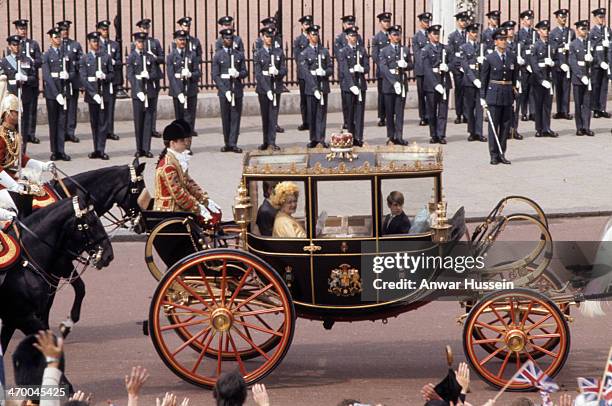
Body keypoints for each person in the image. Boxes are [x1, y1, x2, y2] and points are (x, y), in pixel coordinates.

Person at [0, 92, 53, 217]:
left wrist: (43, 166)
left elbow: (20, 159)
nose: (20, 115)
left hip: (14, 178)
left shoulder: (14, 134)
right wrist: (13, 185)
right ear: (8, 113)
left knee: (42, 192)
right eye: (16, 112)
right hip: (3, 184)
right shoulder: (1, 136)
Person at [154, 121, 220, 220]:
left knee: (216, 215)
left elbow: (188, 183)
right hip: (171, 210)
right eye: (182, 141)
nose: (185, 143)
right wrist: (197, 208)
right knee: (210, 220)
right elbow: (179, 194)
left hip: (178, 206)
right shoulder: (168, 166)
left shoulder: (175, 160)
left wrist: (204, 199)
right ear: (172, 143)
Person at [480, 28, 516, 165]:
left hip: (507, 94)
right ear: (495, 42)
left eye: (505, 39)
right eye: (501, 39)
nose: (504, 42)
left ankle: (502, 153)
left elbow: (513, 76)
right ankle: (493, 154)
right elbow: (484, 79)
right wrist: (482, 97)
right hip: (494, 94)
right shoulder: (490, 58)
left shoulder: (511, 57)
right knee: (494, 126)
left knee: (505, 125)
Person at [0, 34, 38, 151]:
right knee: (10, 127)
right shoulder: (5, 62)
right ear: (10, 46)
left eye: (18, 45)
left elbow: (34, 78)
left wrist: (25, 78)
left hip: (24, 97)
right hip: (11, 99)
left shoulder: (27, 60)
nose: (17, 47)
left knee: (24, 126)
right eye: (14, 45)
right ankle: (11, 152)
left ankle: (22, 152)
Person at [80, 31, 114, 160]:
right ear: (89, 43)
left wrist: (105, 76)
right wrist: (93, 94)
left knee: (103, 123)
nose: (96, 44)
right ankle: (96, 149)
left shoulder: (106, 57)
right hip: (92, 95)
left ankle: (101, 149)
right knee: (94, 123)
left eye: (97, 41)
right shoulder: (84, 58)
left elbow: (112, 74)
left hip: (104, 95)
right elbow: (83, 78)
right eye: (94, 41)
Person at [213, 28, 247, 153]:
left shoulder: (238, 55)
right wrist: (224, 90)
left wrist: (238, 73)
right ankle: (227, 142)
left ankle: (233, 143)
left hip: (236, 89)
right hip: (224, 90)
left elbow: (245, 72)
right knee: (225, 117)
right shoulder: (218, 55)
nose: (229, 40)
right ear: (222, 40)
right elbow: (215, 75)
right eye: (227, 38)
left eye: (231, 38)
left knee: (235, 117)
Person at [379, 24, 412, 145]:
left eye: (398, 34)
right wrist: (394, 83)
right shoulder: (384, 51)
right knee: (389, 112)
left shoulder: (405, 50)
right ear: (389, 36)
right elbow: (383, 68)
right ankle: (390, 136)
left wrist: (406, 65)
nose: (397, 37)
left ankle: (399, 136)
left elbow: (411, 65)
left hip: (402, 83)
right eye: (394, 35)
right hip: (389, 85)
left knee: (399, 112)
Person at [42, 28, 72, 161]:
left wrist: (68, 75)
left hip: (63, 91)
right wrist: (56, 94)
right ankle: (54, 150)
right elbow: (47, 76)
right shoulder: (47, 55)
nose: (58, 39)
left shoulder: (65, 54)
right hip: (52, 94)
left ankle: (61, 150)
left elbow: (72, 71)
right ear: (51, 39)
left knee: (62, 122)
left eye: (59, 37)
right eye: (55, 37)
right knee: (53, 122)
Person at [300, 25, 332, 148]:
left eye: (316, 34)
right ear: (308, 36)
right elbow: (305, 73)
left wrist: (324, 72)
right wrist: (314, 88)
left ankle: (321, 138)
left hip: (323, 86)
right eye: (313, 34)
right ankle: (313, 138)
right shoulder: (304, 53)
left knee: (322, 113)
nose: (315, 36)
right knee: (312, 113)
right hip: (311, 88)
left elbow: (330, 68)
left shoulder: (324, 51)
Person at [254, 27, 286, 151]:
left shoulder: (278, 52)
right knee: (265, 116)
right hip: (263, 89)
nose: (269, 39)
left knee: (273, 116)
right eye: (267, 37)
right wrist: (267, 89)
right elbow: (258, 74)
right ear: (263, 37)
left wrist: (277, 72)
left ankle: (272, 141)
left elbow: (284, 69)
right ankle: (265, 141)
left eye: (271, 37)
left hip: (275, 88)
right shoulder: (258, 53)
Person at [132, 18, 164, 139]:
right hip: (142, 77)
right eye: (143, 28)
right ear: (140, 28)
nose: (146, 30)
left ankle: (152, 128)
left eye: (147, 28)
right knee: (142, 104)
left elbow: (162, 57)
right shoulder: (136, 43)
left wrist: (155, 58)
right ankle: (144, 128)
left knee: (152, 103)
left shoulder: (155, 42)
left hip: (153, 75)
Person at [127, 32, 157, 158]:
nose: (141, 44)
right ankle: (139, 148)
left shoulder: (149, 57)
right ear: (135, 43)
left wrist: (149, 75)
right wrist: (137, 90)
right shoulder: (132, 57)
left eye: (143, 42)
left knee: (148, 121)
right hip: (138, 93)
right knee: (139, 121)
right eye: (139, 42)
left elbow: (156, 73)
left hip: (148, 92)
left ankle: (146, 148)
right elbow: (130, 75)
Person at [338, 26, 369, 146]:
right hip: (349, 86)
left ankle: (359, 137)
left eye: (355, 36)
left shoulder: (361, 50)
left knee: (360, 113)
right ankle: (350, 137)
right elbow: (344, 69)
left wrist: (362, 69)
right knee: (350, 113)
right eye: (351, 36)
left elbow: (367, 67)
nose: (354, 38)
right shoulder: (343, 51)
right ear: (347, 37)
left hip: (360, 85)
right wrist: (351, 85)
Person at [167, 30, 200, 138]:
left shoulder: (192, 55)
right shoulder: (171, 56)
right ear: (175, 40)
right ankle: (180, 143)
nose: (182, 42)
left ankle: (187, 145)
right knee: (179, 119)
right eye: (180, 40)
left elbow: (198, 73)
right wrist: (178, 93)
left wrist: (190, 74)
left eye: (184, 40)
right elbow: (171, 76)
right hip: (178, 92)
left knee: (189, 120)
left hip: (190, 91)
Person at [14, 19, 42, 145]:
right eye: (21, 29)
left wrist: (31, 61)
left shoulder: (33, 44)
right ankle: (20, 132)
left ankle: (31, 133)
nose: (23, 31)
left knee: (32, 108)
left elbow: (40, 61)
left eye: (24, 29)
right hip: (19, 83)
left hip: (31, 81)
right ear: (17, 30)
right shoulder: (14, 44)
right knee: (19, 109)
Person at [423, 24, 452, 144]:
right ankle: (433, 134)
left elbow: (454, 62)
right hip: (432, 84)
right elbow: (426, 69)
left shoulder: (445, 48)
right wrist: (435, 84)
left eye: (438, 34)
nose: (436, 36)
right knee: (432, 110)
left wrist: (447, 67)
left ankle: (441, 134)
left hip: (444, 80)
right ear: (429, 35)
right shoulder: (426, 50)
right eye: (434, 34)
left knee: (443, 110)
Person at [530, 19, 558, 138]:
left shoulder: (551, 45)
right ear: (539, 31)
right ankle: (539, 128)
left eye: (547, 29)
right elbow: (533, 64)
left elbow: (558, 60)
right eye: (543, 29)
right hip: (539, 79)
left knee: (547, 104)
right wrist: (541, 80)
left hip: (550, 78)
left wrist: (553, 63)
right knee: (538, 104)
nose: (546, 32)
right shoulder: (535, 46)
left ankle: (547, 127)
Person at [334, 15, 362, 130]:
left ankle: (355, 120)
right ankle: (347, 120)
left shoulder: (358, 37)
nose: (350, 25)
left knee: (356, 99)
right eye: (348, 24)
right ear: (343, 25)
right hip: (344, 72)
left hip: (356, 71)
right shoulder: (339, 38)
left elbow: (361, 52)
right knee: (346, 99)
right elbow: (339, 55)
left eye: (352, 23)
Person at [459, 23, 486, 142]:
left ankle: (479, 132)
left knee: (479, 108)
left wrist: (483, 61)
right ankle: (471, 131)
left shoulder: (482, 47)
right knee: (469, 107)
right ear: (469, 33)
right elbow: (465, 66)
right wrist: (473, 79)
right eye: (473, 32)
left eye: (476, 32)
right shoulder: (463, 48)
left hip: (480, 80)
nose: (475, 35)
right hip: (470, 81)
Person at [57, 20, 82, 143]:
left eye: (66, 29)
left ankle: (70, 132)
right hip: (61, 82)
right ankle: (61, 133)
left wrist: (73, 64)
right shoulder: (57, 45)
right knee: (62, 108)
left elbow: (81, 61)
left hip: (72, 81)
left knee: (72, 107)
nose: (65, 32)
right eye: (62, 30)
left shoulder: (75, 45)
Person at [569, 20, 595, 136]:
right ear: (577, 30)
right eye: (582, 29)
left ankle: (586, 126)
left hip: (588, 77)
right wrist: (580, 76)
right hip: (578, 79)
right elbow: (573, 62)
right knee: (578, 104)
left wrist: (592, 58)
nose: (585, 31)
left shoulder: (589, 43)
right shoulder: (574, 44)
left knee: (587, 104)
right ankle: (579, 127)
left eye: (586, 29)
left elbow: (596, 59)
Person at [97, 20, 122, 141]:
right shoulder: (97, 45)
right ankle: (101, 130)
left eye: (106, 29)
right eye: (103, 29)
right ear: (99, 30)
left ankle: (110, 130)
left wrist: (113, 62)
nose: (105, 32)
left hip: (112, 79)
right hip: (101, 79)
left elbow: (119, 61)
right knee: (102, 107)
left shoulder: (114, 45)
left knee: (111, 106)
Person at [550, 8, 575, 120]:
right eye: (561, 17)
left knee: (566, 88)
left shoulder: (571, 32)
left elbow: (574, 49)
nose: (564, 19)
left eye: (565, 17)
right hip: (557, 65)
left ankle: (565, 111)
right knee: (558, 88)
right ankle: (559, 110)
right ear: (557, 18)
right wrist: (561, 48)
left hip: (567, 65)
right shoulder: (553, 33)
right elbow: (552, 50)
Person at [502, 19, 524, 140]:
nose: (511, 31)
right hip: (507, 80)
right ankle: (505, 130)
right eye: (509, 29)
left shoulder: (518, 45)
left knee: (517, 105)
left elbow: (526, 57)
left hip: (518, 78)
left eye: (512, 29)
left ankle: (514, 129)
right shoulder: (503, 45)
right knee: (507, 106)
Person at [448, 11, 471, 124]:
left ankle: (467, 114)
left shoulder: (469, 34)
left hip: (468, 69)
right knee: (459, 91)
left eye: (465, 20)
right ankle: (459, 114)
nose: (464, 23)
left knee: (468, 92)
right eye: (462, 20)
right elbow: (451, 54)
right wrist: (458, 66)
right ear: (457, 22)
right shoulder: (452, 36)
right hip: (458, 68)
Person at [589, 7, 611, 118]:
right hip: (597, 64)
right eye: (600, 17)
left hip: (606, 63)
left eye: (603, 17)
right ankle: (595, 109)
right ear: (595, 18)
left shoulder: (607, 30)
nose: (602, 19)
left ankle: (602, 108)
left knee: (604, 86)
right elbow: (592, 49)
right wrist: (599, 61)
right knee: (596, 85)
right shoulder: (592, 32)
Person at [371, 12, 392, 127]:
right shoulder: (377, 37)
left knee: (392, 94)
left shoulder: (393, 34)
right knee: (382, 94)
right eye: (384, 21)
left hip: (393, 70)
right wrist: (383, 66)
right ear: (380, 23)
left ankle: (391, 115)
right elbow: (375, 55)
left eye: (388, 21)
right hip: (382, 71)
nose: (387, 23)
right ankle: (382, 116)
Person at [293, 15, 313, 131]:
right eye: (306, 24)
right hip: (303, 74)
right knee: (304, 99)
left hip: (313, 73)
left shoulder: (315, 38)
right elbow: (298, 57)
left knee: (311, 98)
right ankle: (305, 121)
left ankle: (311, 121)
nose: (307, 26)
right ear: (302, 26)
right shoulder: (298, 40)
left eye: (309, 24)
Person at [517, 10, 536, 122]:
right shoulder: (519, 34)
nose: (530, 21)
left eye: (531, 19)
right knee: (524, 90)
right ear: (522, 20)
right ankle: (524, 112)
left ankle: (532, 112)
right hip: (524, 66)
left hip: (533, 65)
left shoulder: (535, 33)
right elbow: (518, 49)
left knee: (533, 90)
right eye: (528, 19)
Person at [414, 12, 432, 126]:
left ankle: (430, 115)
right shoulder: (417, 37)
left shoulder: (431, 35)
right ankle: (422, 116)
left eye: (428, 21)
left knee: (430, 94)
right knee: (421, 94)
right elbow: (417, 54)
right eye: (425, 22)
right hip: (421, 70)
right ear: (420, 22)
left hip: (430, 70)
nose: (427, 24)